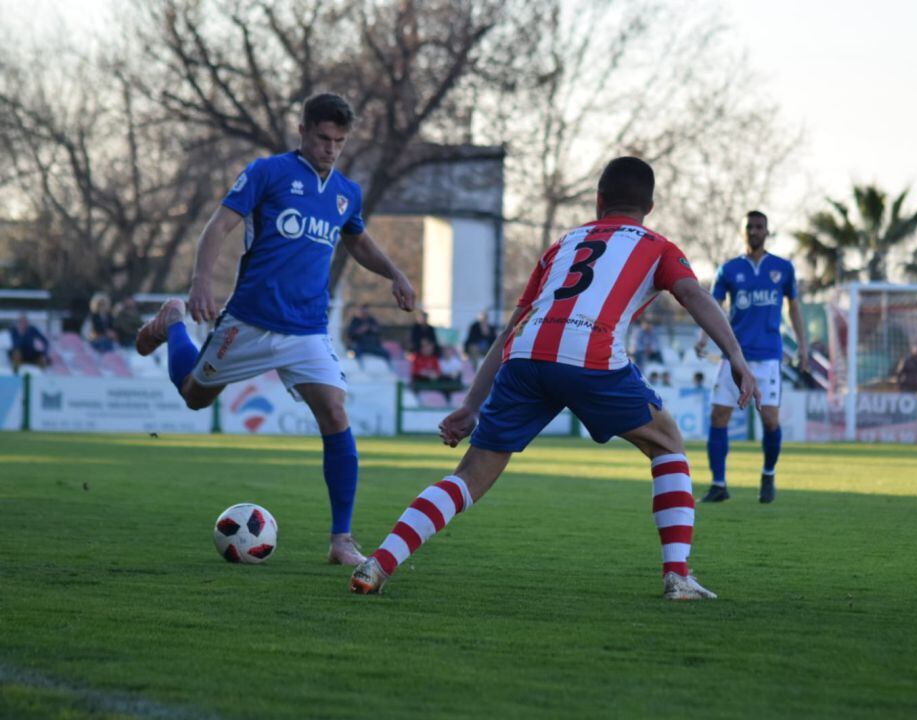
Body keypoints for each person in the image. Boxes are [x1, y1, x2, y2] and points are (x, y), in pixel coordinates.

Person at [350, 156, 758, 600]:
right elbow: (692, 294)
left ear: (599, 200)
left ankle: (380, 562)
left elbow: (512, 329)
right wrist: (735, 355)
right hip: (591, 354)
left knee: (470, 475)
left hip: (525, 357)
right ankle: (677, 576)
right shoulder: (657, 245)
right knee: (668, 444)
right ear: (651, 207)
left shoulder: (564, 243)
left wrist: (471, 404)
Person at [134, 93, 416, 566]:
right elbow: (218, 226)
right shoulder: (267, 172)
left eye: (339, 142)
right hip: (249, 320)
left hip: (306, 329)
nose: (330, 148)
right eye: (323, 138)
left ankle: (341, 540)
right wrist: (201, 282)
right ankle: (174, 322)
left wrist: (396, 274)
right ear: (303, 131)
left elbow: (358, 240)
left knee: (335, 411)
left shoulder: (346, 191)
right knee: (193, 395)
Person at [694, 210, 806, 504]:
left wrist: (803, 346)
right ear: (742, 232)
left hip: (768, 356)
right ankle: (719, 484)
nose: (755, 231)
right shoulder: (729, 270)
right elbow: (713, 304)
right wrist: (704, 336)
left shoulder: (783, 268)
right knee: (719, 416)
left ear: (767, 232)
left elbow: (793, 307)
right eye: (750, 227)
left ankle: (768, 474)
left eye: (760, 227)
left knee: (770, 420)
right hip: (734, 355)